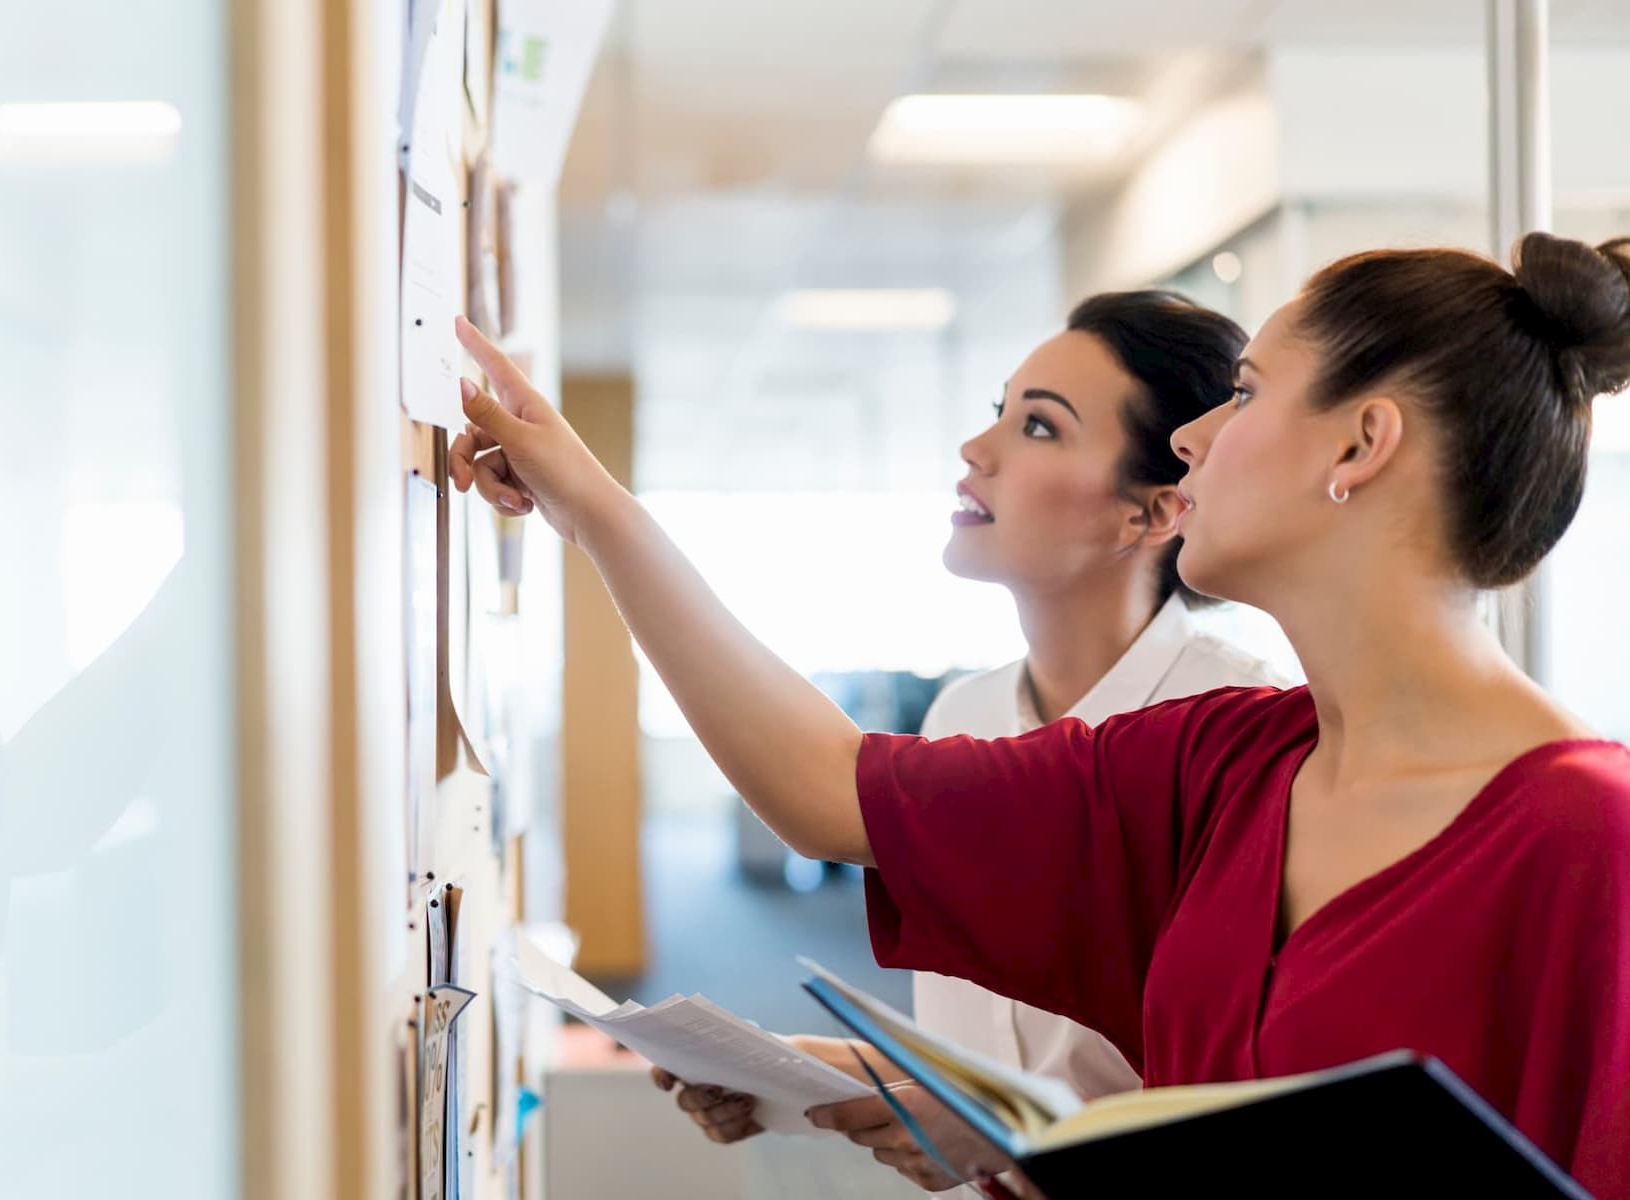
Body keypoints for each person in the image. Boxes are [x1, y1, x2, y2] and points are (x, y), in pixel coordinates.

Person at [449, 232, 1630, 1198]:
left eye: (1249, 395)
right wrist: (588, 508)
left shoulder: (1589, 840)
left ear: (1362, 443)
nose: (1193, 438)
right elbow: (827, 786)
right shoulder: (1228, 766)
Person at [643, 292, 1293, 1192]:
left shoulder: (1238, 725)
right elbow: (993, 1073)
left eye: (1037, 428)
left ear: (1154, 512)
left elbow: (1248, 1100)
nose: (975, 451)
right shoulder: (963, 714)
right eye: (999, 412)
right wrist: (820, 1074)